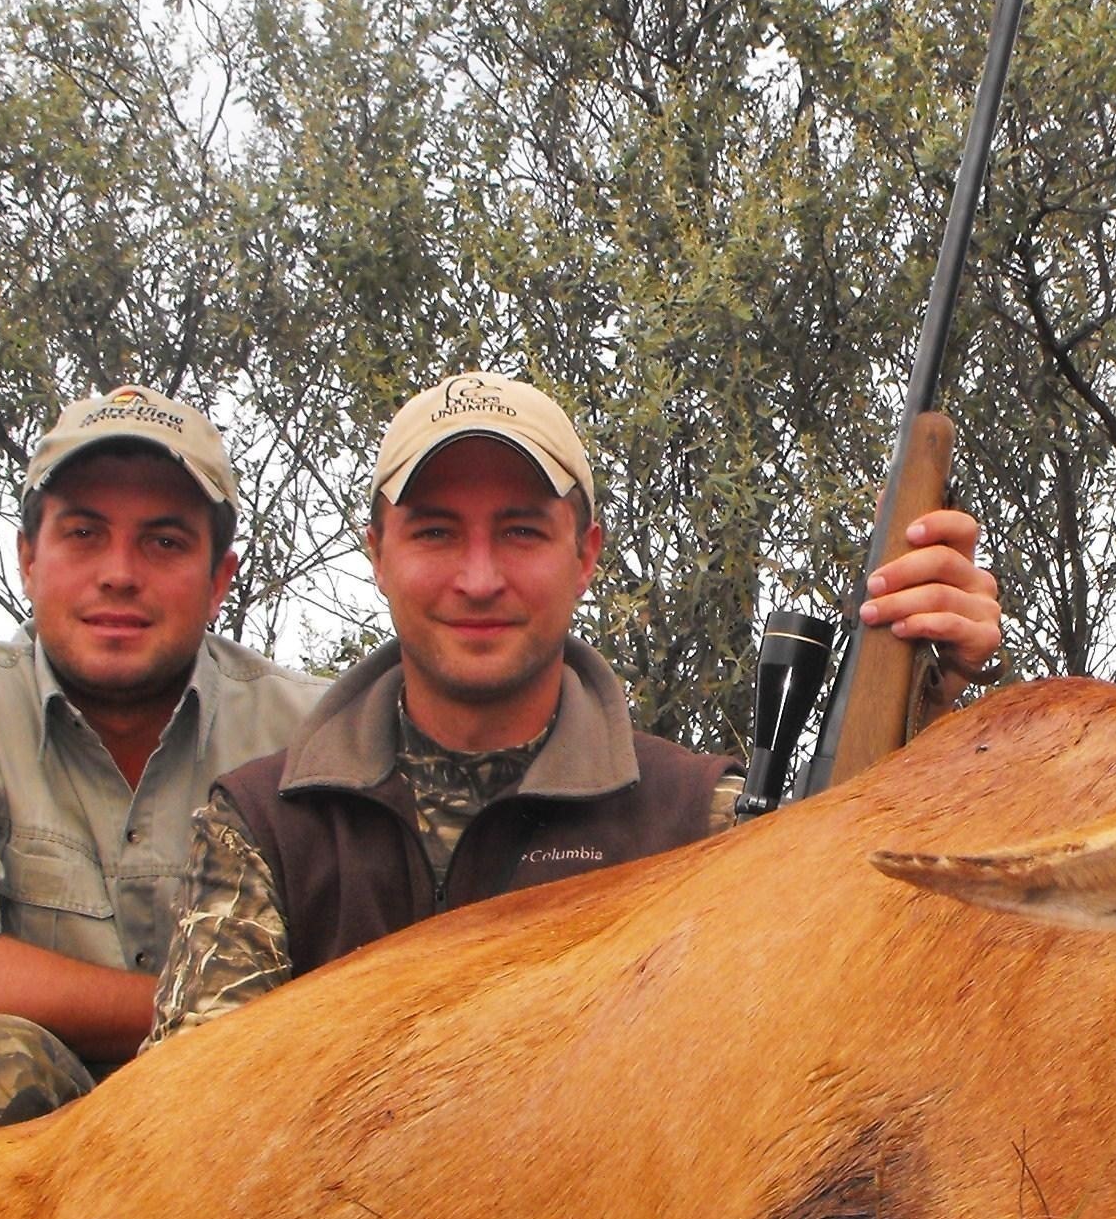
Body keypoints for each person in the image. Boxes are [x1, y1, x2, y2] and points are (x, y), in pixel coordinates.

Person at [148, 370, 1003, 1042]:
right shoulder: (261, 828)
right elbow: (192, 1137)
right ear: (376, 553)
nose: (479, 579)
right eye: (436, 532)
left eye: (520, 532)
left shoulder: (700, 821)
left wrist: (926, 703)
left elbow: (858, 1003)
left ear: (585, 553)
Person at [0, 387, 319, 1156]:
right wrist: (197, 1011)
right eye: (84, 534)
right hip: (47, 1163)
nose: (118, 574)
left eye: (163, 543)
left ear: (220, 579)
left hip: (263, 1130)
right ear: (28, 558)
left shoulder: (315, 731)